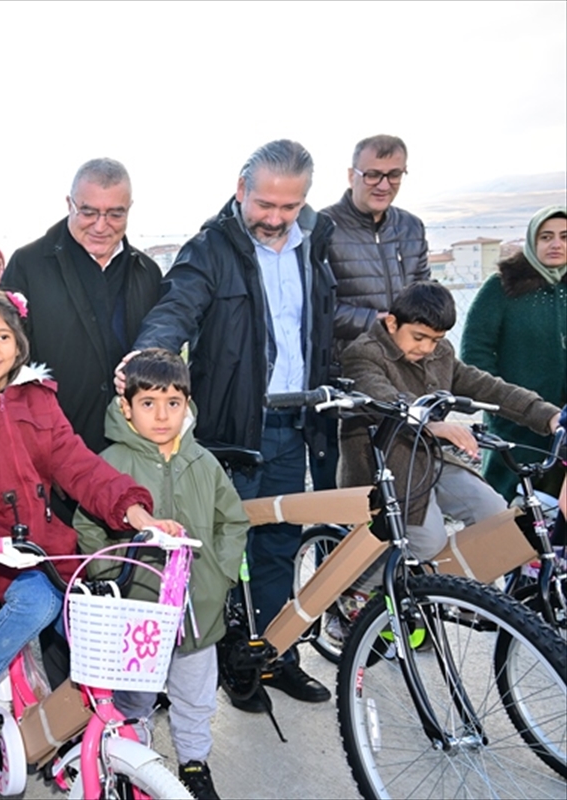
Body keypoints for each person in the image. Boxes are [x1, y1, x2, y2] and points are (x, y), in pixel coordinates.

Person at [0, 290, 172, 736]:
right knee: (40, 600)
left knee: (95, 623)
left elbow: (76, 461)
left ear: (19, 342)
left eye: (3, 337)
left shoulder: (38, 398)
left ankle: (97, 723)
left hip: (48, 549)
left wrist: (130, 506)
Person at [133, 140, 338, 711]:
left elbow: (321, 328)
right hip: (233, 431)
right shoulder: (211, 248)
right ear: (241, 188)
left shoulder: (315, 245)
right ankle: (234, 663)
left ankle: (277, 658)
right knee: (225, 555)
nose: (274, 218)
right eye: (265, 203)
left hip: (297, 425)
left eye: (289, 207)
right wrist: (150, 354)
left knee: (278, 547)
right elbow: (176, 308)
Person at [75, 349, 248, 800]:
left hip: (199, 612)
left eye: (173, 403)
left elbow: (233, 522)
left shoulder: (203, 463)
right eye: (148, 403)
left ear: (187, 406)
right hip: (138, 613)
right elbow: (87, 524)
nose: (161, 415)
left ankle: (193, 763)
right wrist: (113, 577)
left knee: (195, 696)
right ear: (126, 408)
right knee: (134, 701)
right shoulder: (109, 462)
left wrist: (220, 575)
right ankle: (136, 765)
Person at [339, 281, 561, 575]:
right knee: (429, 541)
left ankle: (470, 600)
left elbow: (487, 387)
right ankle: (363, 596)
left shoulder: (439, 351)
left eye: (436, 339)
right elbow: (383, 397)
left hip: (430, 457)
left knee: (493, 513)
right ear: (392, 323)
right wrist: (432, 425)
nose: (427, 348)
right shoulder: (363, 353)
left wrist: (549, 417)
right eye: (419, 337)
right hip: (386, 467)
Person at [1, 158, 162, 457]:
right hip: (51, 454)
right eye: (88, 212)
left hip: (134, 454)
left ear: (130, 208)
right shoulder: (28, 266)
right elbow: (4, 366)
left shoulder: (147, 273)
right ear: (69, 204)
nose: (101, 226)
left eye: (115, 214)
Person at [318, 135, 429, 490]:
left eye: (394, 175)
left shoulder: (412, 227)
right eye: (373, 175)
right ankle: (331, 546)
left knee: (401, 489)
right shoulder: (322, 229)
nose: (384, 185)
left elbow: (425, 298)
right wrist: (378, 323)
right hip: (343, 379)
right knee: (344, 494)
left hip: (403, 377)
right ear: (352, 174)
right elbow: (317, 309)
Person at [461, 205, 566, 502]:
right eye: (546, 237)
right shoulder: (502, 287)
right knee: (507, 511)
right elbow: (475, 353)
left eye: (564, 236)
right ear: (532, 241)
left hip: (565, 428)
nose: (556, 244)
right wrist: (501, 410)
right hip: (515, 424)